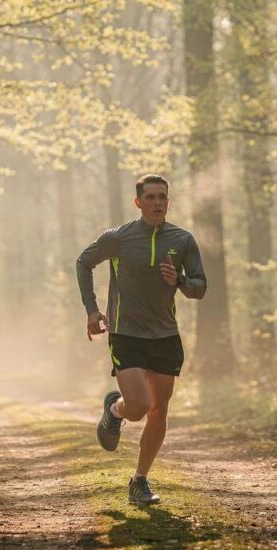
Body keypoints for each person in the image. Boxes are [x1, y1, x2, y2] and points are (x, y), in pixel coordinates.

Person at [75, 173, 206, 505]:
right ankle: (115, 410)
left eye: (162, 197)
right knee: (139, 408)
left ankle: (140, 481)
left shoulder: (183, 239)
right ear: (138, 202)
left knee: (158, 411)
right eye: (150, 197)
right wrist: (92, 310)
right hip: (126, 332)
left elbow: (199, 288)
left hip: (165, 335)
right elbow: (84, 262)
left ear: (168, 201)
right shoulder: (118, 238)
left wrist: (180, 280)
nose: (157, 203)